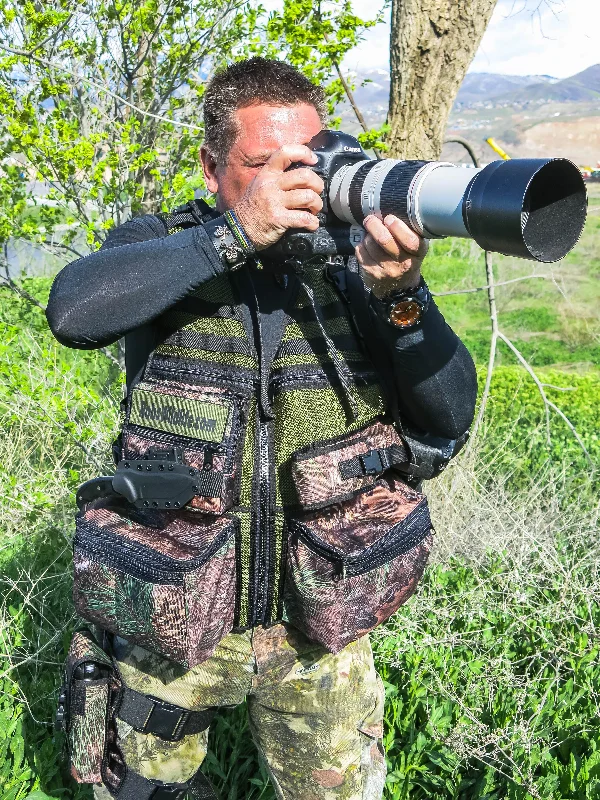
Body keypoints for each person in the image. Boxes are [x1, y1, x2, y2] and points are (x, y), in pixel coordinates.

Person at [47, 57, 477, 800]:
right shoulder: (163, 245)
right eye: (261, 165)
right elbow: (75, 311)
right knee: (149, 792)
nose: (293, 184)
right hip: (172, 607)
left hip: (320, 621)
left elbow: (449, 417)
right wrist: (235, 234)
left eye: (307, 162)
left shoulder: (352, 271)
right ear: (213, 168)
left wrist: (402, 296)